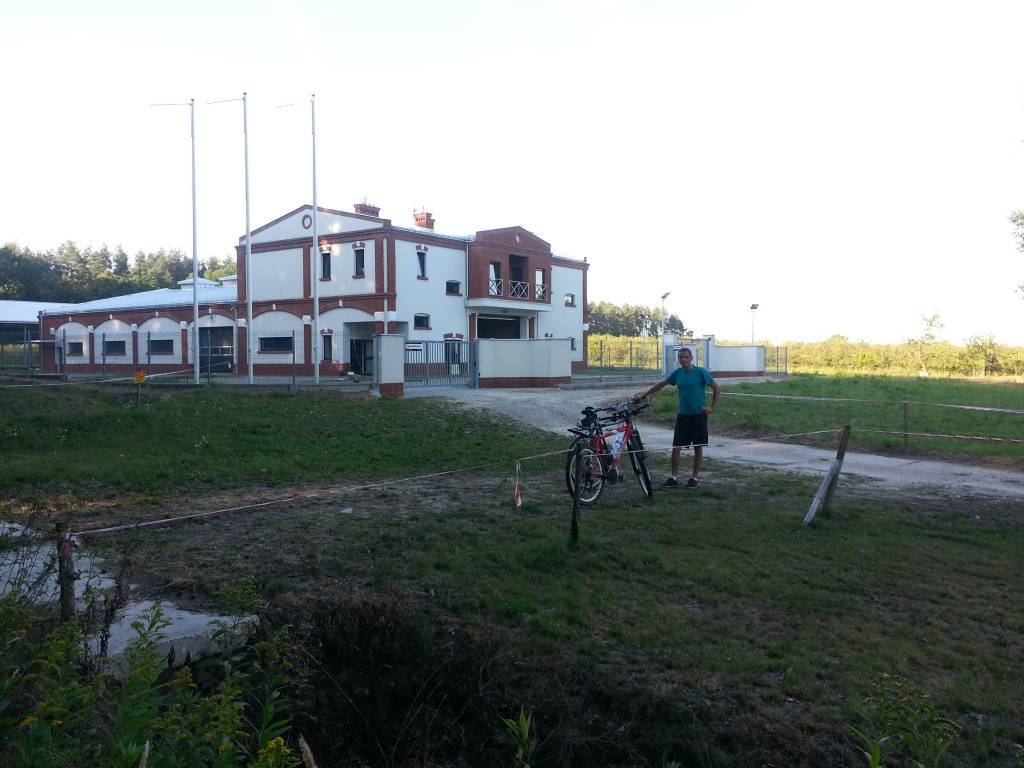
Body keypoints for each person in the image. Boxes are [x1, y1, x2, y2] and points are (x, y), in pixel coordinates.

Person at [634, 347, 720, 489]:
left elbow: (716, 387)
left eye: (686, 357)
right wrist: (643, 394)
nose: (683, 360)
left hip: (698, 416)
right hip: (683, 416)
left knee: (698, 447)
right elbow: (661, 384)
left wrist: (711, 407)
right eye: (681, 357)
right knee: (676, 447)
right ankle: (673, 477)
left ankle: (694, 478)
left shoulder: (701, 372)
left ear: (691, 358)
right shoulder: (678, 373)